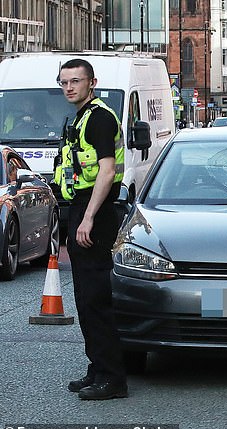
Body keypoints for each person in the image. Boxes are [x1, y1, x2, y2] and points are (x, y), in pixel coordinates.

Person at [54, 58, 128, 400]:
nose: (69, 87)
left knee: (95, 299)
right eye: (64, 82)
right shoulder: (81, 117)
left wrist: (87, 218)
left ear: (91, 83)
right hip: (83, 208)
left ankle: (112, 378)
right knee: (85, 298)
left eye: (75, 81)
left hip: (94, 212)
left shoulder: (99, 118)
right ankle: (97, 368)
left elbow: (107, 171)